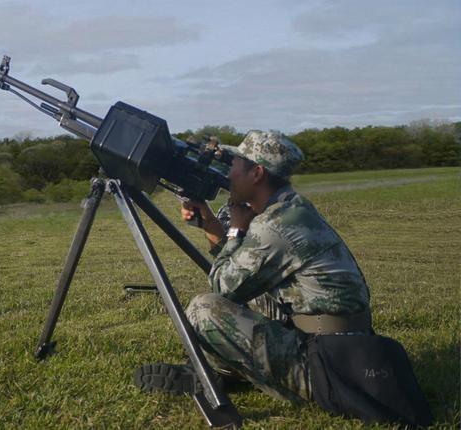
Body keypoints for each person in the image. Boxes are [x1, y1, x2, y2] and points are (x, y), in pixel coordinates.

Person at [134, 130, 372, 404]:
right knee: (253, 293)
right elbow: (243, 271)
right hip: (338, 341)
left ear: (256, 173)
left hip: (330, 366)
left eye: (234, 164)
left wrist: (235, 230)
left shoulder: (276, 226)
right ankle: (219, 372)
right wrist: (212, 225)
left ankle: (221, 373)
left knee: (204, 309)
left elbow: (224, 286)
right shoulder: (288, 208)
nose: (227, 173)